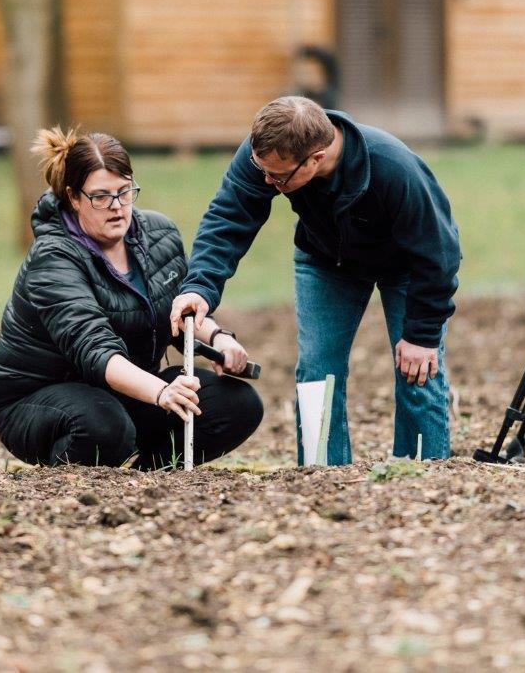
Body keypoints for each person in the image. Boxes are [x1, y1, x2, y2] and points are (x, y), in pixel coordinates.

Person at [170, 97, 461, 465]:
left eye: (277, 177)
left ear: (316, 158)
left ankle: (423, 471)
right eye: (263, 171)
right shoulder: (267, 152)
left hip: (407, 266)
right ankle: (322, 471)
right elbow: (229, 216)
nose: (266, 181)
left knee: (418, 369)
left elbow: (439, 253)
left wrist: (421, 335)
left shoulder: (392, 168)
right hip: (325, 259)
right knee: (316, 372)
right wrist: (200, 287)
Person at [0, 127, 263, 468]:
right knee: (104, 426)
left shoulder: (159, 233)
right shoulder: (53, 258)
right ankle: (67, 485)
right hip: (39, 397)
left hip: (125, 389)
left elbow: (178, 310)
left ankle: (147, 476)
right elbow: (95, 350)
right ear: (73, 197)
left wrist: (218, 339)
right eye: (100, 197)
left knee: (237, 404)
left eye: (124, 192)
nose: (117, 207)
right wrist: (162, 393)